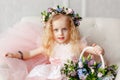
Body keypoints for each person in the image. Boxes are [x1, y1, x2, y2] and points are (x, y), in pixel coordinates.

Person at [5, 6, 104, 80]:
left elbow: (91, 50)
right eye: (56, 30)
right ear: (51, 31)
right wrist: (15, 55)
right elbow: (30, 54)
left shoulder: (76, 44)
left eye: (64, 29)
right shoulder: (50, 45)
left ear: (71, 30)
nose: (60, 33)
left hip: (70, 74)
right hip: (51, 73)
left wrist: (97, 49)